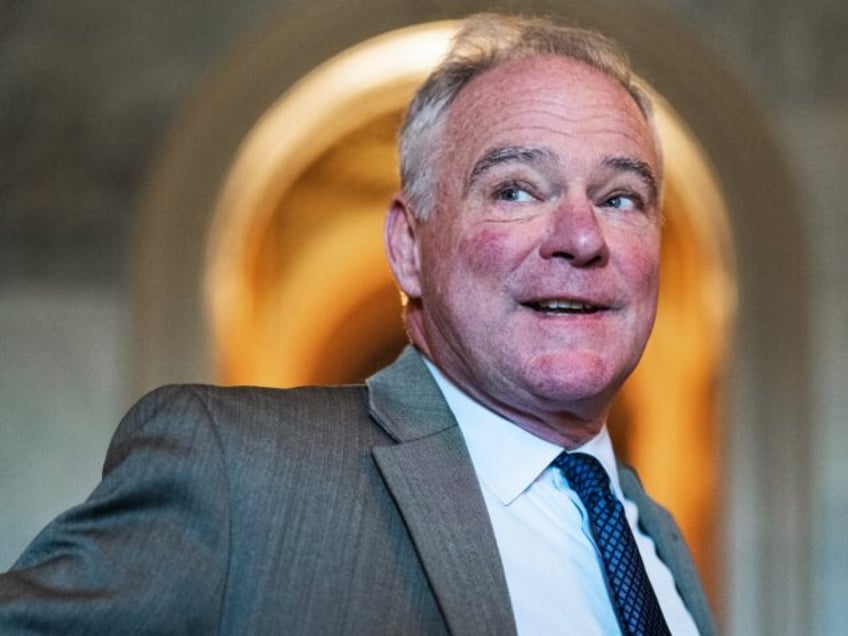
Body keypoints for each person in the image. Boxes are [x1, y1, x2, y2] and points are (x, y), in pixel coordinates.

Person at [0, 12, 716, 636]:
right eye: (516, 189)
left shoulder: (656, 540)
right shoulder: (236, 475)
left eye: (621, 198)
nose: (580, 237)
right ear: (409, 248)